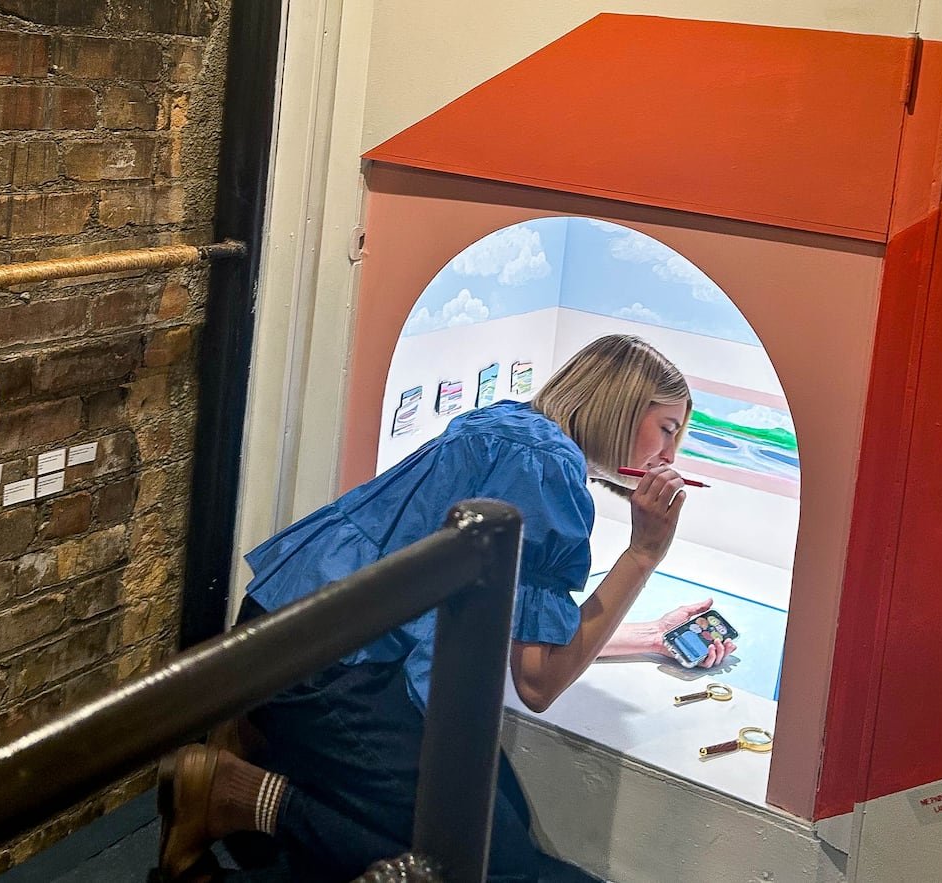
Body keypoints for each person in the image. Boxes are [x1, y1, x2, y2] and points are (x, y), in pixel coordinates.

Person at [158, 334, 735, 881]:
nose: (670, 455)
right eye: (667, 429)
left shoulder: (517, 429)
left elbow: (517, 618)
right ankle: (237, 795)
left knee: (497, 825)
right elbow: (539, 680)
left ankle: (266, 760)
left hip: (297, 628)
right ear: (620, 406)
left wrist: (649, 636)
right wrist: (644, 552)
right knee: (488, 865)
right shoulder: (549, 468)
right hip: (332, 664)